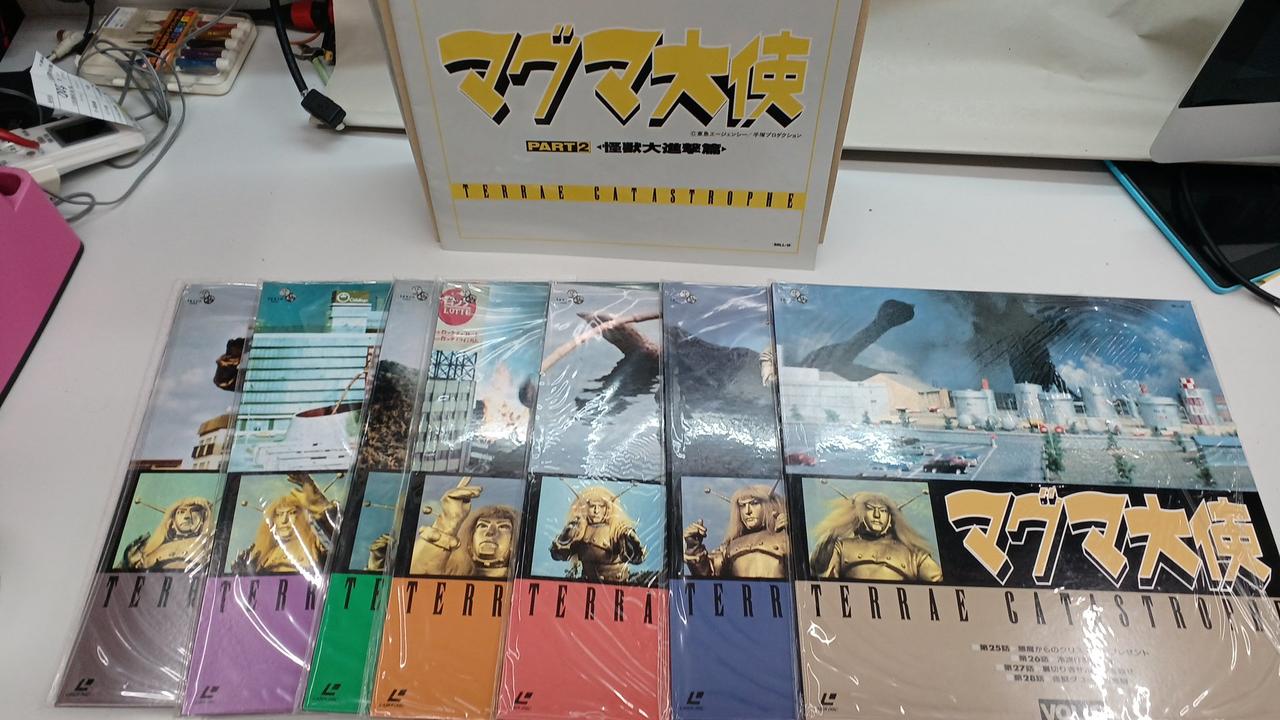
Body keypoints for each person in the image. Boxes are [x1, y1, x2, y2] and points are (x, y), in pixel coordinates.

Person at [809, 491, 942, 582]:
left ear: (891, 518)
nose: (877, 515)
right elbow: (823, 574)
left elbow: (937, 582)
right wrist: (827, 543)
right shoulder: (842, 546)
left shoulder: (913, 554)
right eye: (870, 509)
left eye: (883, 511)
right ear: (860, 514)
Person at [233, 472, 338, 575]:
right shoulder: (267, 555)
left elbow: (336, 537)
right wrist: (244, 573)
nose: (284, 520)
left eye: (291, 513)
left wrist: (314, 496)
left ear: (302, 517)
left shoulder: (314, 545)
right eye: (279, 514)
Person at [411, 478, 519, 578]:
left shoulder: (521, 581)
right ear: (470, 539)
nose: (490, 532)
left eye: (503, 527)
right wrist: (447, 525)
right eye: (482, 525)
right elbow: (416, 576)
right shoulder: (450, 575)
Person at [684, 484, 789, 579]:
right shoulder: (729, 547)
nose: (748, 511)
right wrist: (693, 546)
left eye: (754, 503)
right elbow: (708, 575)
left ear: (770, 506)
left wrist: (791, 532)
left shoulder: (785, 537)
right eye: (742, 505)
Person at [550, 485, 646, 582]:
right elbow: (559, 554)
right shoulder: (579, 530)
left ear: (607, 508)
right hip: (588, 584)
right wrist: (566, 536)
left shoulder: (618, 530)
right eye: (592, 506)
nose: (596, 511)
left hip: (617, 584)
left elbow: (636, 557)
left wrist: (631, 543)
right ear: (585, 508)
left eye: (601, 506)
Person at [120, 497, 214, 571]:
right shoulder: (147, 549)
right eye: (181, 512)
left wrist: (207, 510)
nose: (187, 516)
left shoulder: (207, 544)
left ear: (202, 520)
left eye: (194, 511)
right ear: (172, 522)